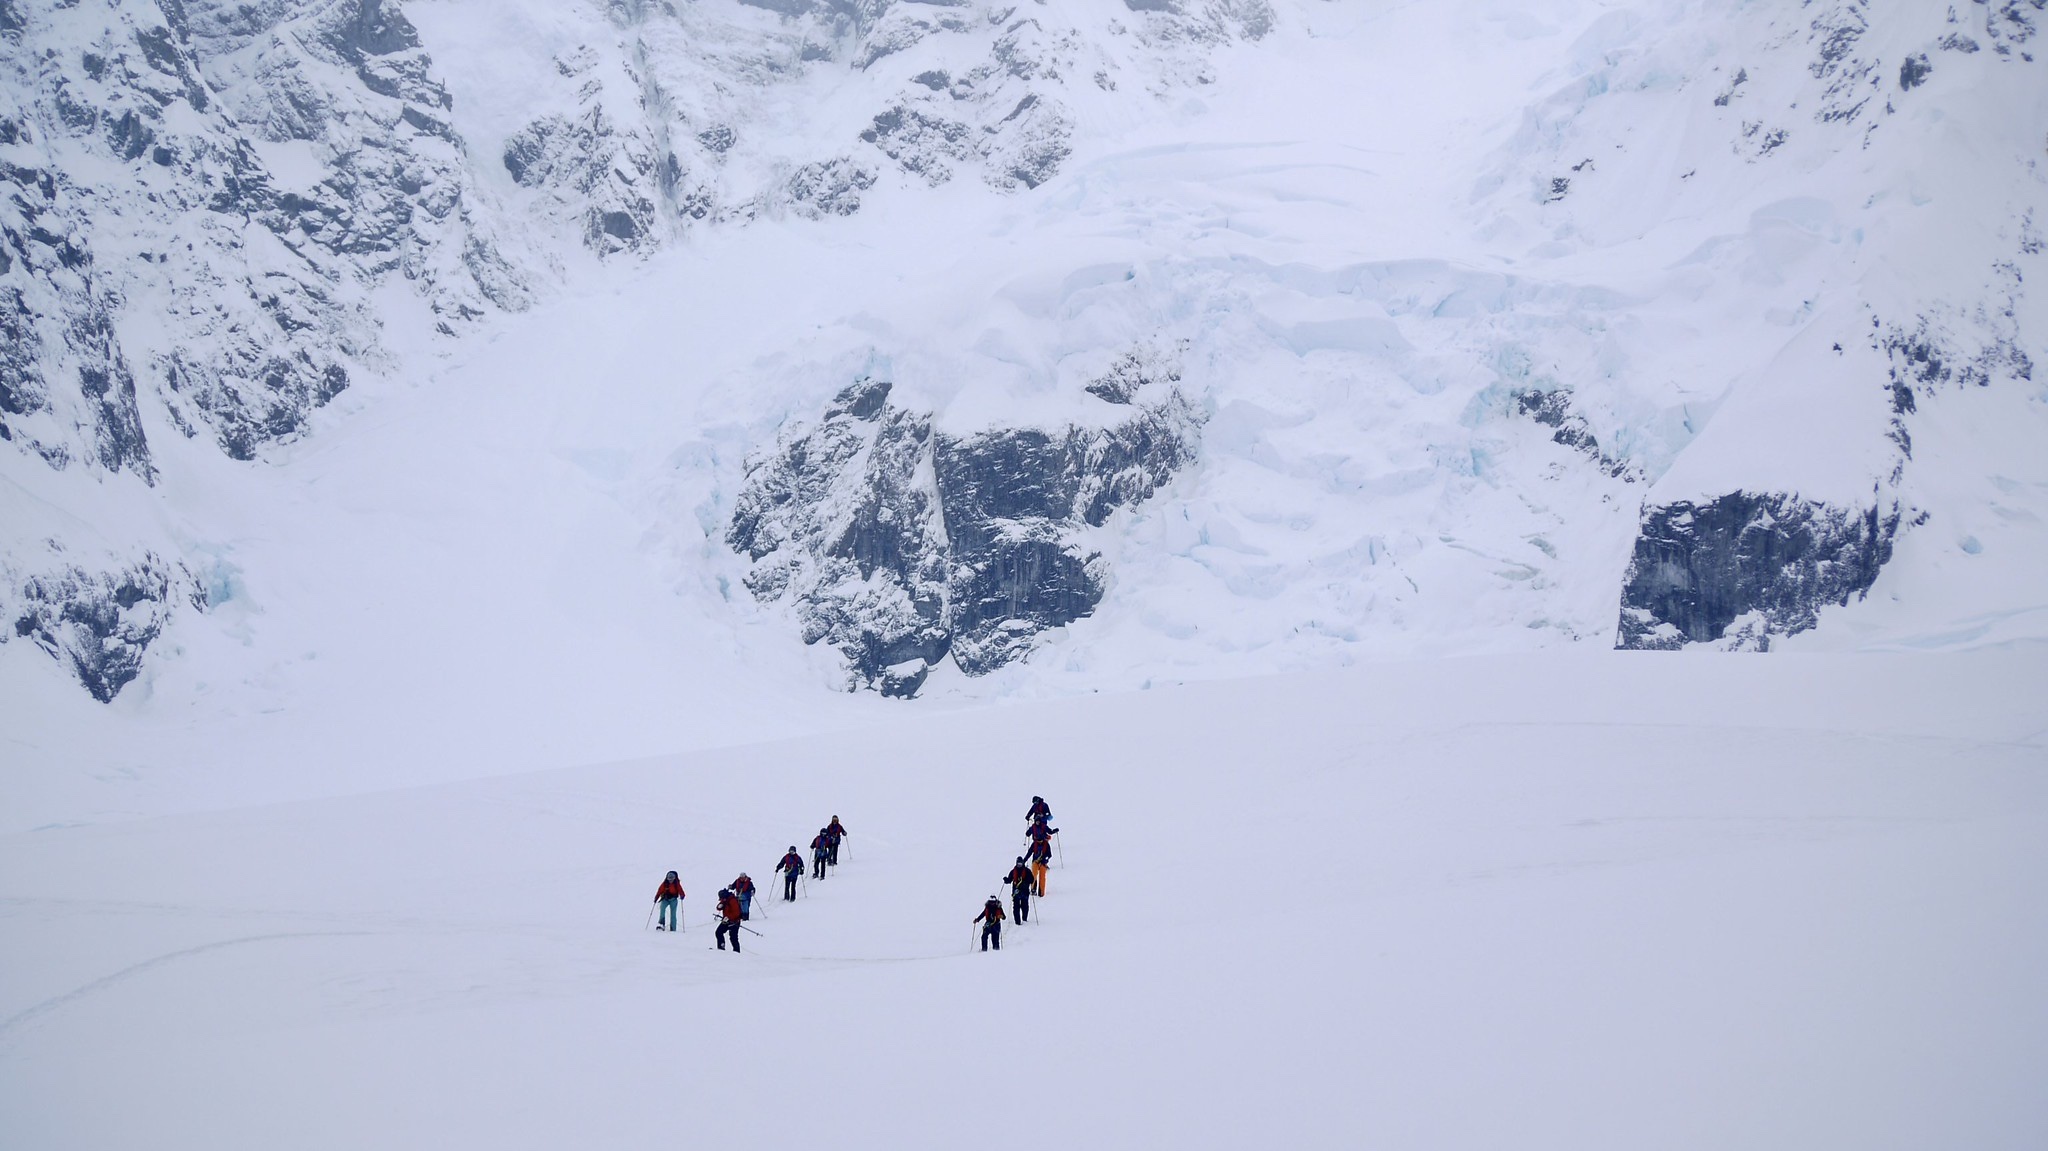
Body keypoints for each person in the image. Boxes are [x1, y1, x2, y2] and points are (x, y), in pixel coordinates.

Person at [1006, 855, 1034, 924]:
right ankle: (1017, 922)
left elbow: (1032, 880)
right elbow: (1009, 880)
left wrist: (1025, 881)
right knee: (1016, 907)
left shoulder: (1027, 871)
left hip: (1025, 892)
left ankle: (1024, 919)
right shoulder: (1013, 871)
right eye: (1018, 864)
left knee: (1025, 906)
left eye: (1020, 864)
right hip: (1016, 892)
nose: (1019, 865)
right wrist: (1006, 880)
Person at [715, 887, 744, 952]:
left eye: (722, 898)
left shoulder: (732, 900)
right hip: (726, 920)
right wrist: (719, 906)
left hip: (734, 922)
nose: (721, 900)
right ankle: (721, 947)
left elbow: (736, 913)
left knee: (733, 938)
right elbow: (720, 906)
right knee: (718, 932)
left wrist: (728, 918)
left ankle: (737, 952)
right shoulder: (725, 899)